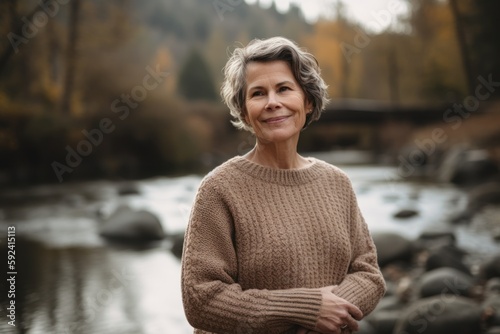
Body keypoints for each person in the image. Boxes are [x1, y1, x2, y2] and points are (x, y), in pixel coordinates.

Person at [181, 36, 385, 334]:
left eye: (284, 89)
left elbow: (368, 273)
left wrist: (331, 311)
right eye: (258, 93)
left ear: (308, 100)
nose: (272, 102)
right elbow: (201, 299)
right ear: (243, 110)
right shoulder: (219, 189)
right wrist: (306, 310)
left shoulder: (337, 183)